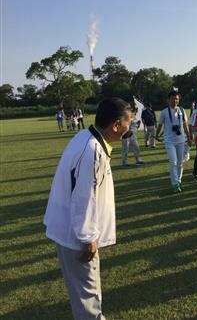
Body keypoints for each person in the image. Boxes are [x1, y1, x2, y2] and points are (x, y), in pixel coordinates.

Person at [43, 97, 132, 320]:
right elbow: (84, 196)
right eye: (128, 121)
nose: (131, 126)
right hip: (77, 237)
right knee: (87, 298)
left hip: (71, 231)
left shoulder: (87, 138)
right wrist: (88, 237)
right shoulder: (91, 150)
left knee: (86, 295)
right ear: (115, 125)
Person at [156, 90, 192, 193]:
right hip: (169, 141)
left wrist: (189, 137)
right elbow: (160, 125)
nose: (175, 100)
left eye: (176, 99)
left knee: (180, 163)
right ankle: (175, 184)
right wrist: (157, 136)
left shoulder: (181, 110)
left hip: (181, 140)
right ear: (168, 100)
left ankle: (179, 181)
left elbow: (185, 124)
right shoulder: (164, 112)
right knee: (173, 162)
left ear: (179, 100)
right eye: (173, 98)